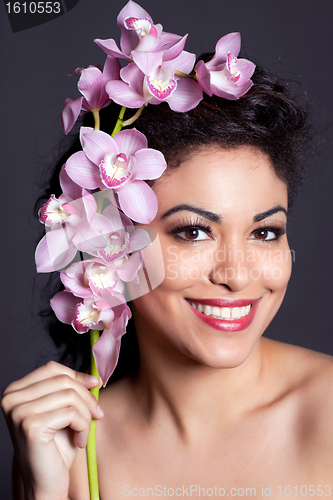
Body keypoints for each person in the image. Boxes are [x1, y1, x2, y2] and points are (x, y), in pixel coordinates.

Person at [2, 62, 333, 500]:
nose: (236, 276)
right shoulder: (70, 451)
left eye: (264, 232)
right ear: (107, 242)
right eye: (194, 231)